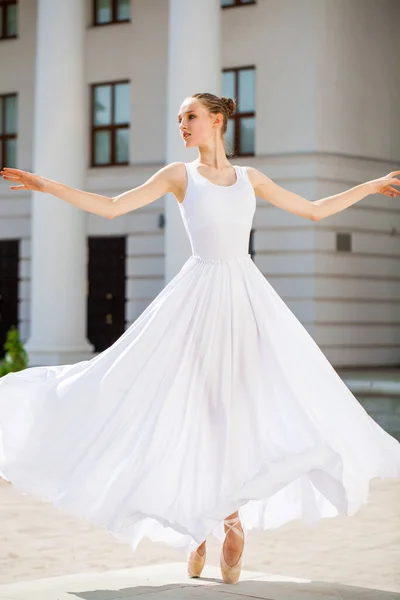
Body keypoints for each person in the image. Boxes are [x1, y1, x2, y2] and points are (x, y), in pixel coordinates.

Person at [1, 92, 400, 586]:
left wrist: (368, 186)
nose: (183, 125)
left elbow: (314, 211)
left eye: (190, 117)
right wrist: (46, 184)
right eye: (179, 119)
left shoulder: (251, 179)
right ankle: (206, 526)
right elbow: (110, 207)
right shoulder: (178, 175)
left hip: (247, 304)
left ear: (217, 121)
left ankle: (219, 524)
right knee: (196, 413)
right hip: (194, 305)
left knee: (235, 415)